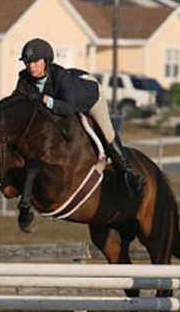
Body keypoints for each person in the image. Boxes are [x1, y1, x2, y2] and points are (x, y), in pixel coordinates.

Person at [14, 38, 145, 196]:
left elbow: (69, 108)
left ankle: (129, 174)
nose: (31, 66)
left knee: (107, 132)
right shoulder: (24, 78)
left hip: (89, 97)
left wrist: (43, 99)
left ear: (46, 61)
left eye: (35, 61)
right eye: (27, 62)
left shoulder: (61, 77)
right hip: (68, 93)